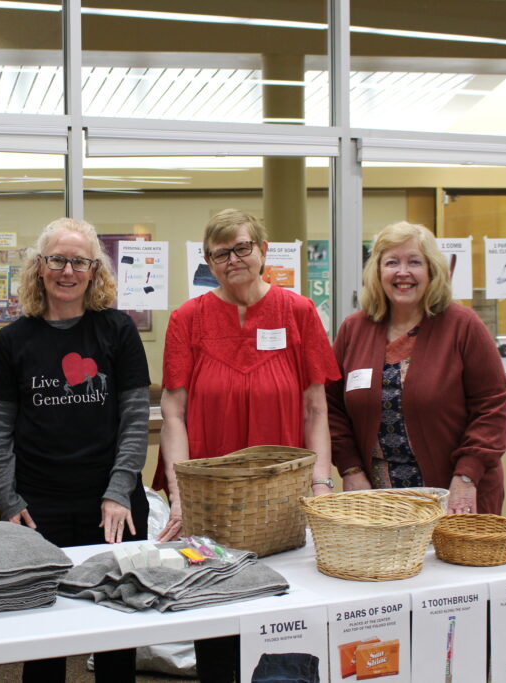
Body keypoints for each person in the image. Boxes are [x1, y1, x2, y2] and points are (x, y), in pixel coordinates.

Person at [152, 208, 340, 683]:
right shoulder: (187, 320)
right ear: (208, 261)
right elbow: (172, 413)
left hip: (283, 496)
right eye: (220, 252)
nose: (232, 259)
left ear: (263, 251)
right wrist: (180, 493)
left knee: (287, 614)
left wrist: (321, 485)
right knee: (214, 614)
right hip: (211, 500)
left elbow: (316, 409)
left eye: (241, 247)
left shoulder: (298, 312)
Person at [0, 217, 150, 683]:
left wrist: (120, 490)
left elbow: (136, 420)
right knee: (43, 634)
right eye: (57, 260)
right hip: (39, 506)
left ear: (95, 270)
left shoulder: (117, 330)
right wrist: (7, 500)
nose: (67, 271)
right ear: (40, 267)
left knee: (117, 627)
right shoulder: (14, 339)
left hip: (111, 502)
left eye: (79, 261)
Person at [327, 221, 506, 515]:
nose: (403, 272)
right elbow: (330, 406)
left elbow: (492, 406)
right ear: (377, 271)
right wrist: (350, 469)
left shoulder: (462, 326)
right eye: (391, 262)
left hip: (455, 494)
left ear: (432, 270)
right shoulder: (354, 330)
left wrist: (467, 474)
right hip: (378, 500)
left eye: (414, 262)